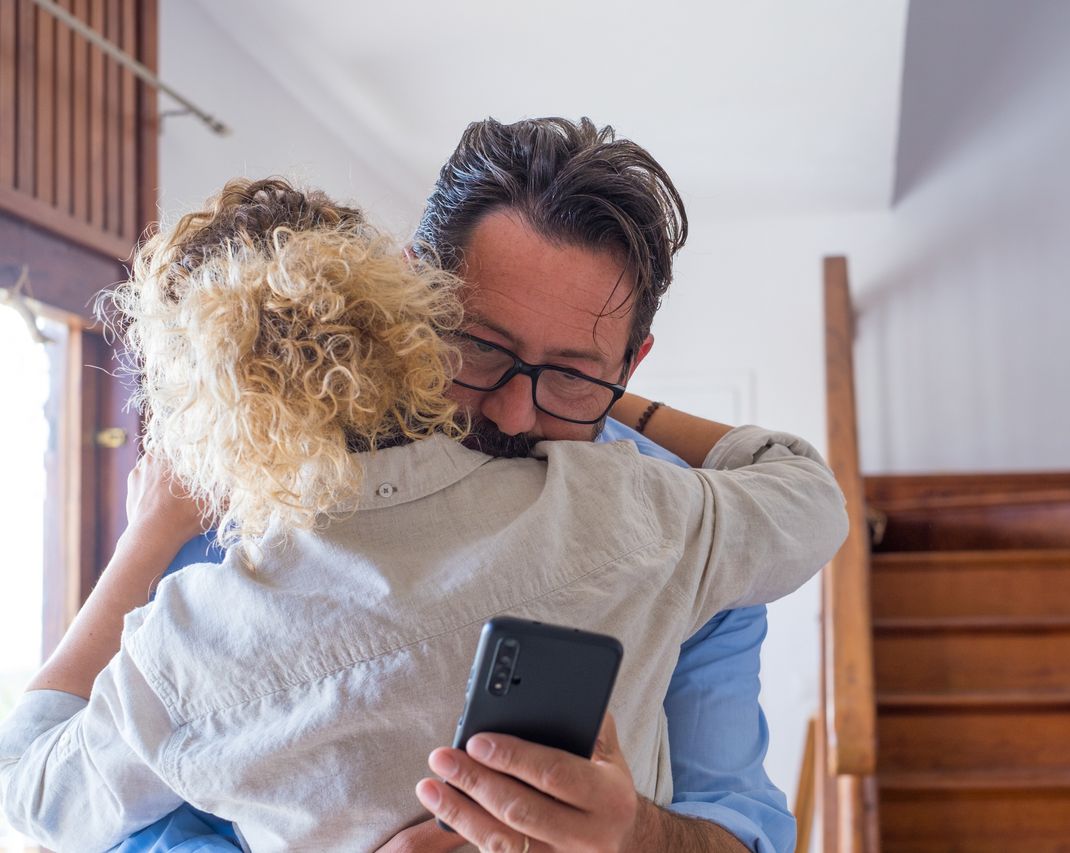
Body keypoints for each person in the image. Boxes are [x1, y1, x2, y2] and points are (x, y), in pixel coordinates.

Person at [0, 178, 848, 852]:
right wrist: (593, 392)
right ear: (413, 307)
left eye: (573, 372)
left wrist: (633, 837)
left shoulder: (184, 635)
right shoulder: (626, 508)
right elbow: (807, 496)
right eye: (483, 348)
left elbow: (31, 790)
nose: (519, 416)